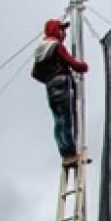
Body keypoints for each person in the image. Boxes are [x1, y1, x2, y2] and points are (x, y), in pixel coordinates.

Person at [32, 18, 89, 166]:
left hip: (51, 87)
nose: (64, 33)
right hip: (62, 83)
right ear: (56, 30)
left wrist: (49, 79)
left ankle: (64, 150)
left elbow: (35, 73)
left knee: (58, 120)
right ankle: (70, 152)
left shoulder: (41, 49)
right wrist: (83, 66)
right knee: (66, 118)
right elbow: (72, 62)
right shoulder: (56, 46)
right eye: (61, 30)